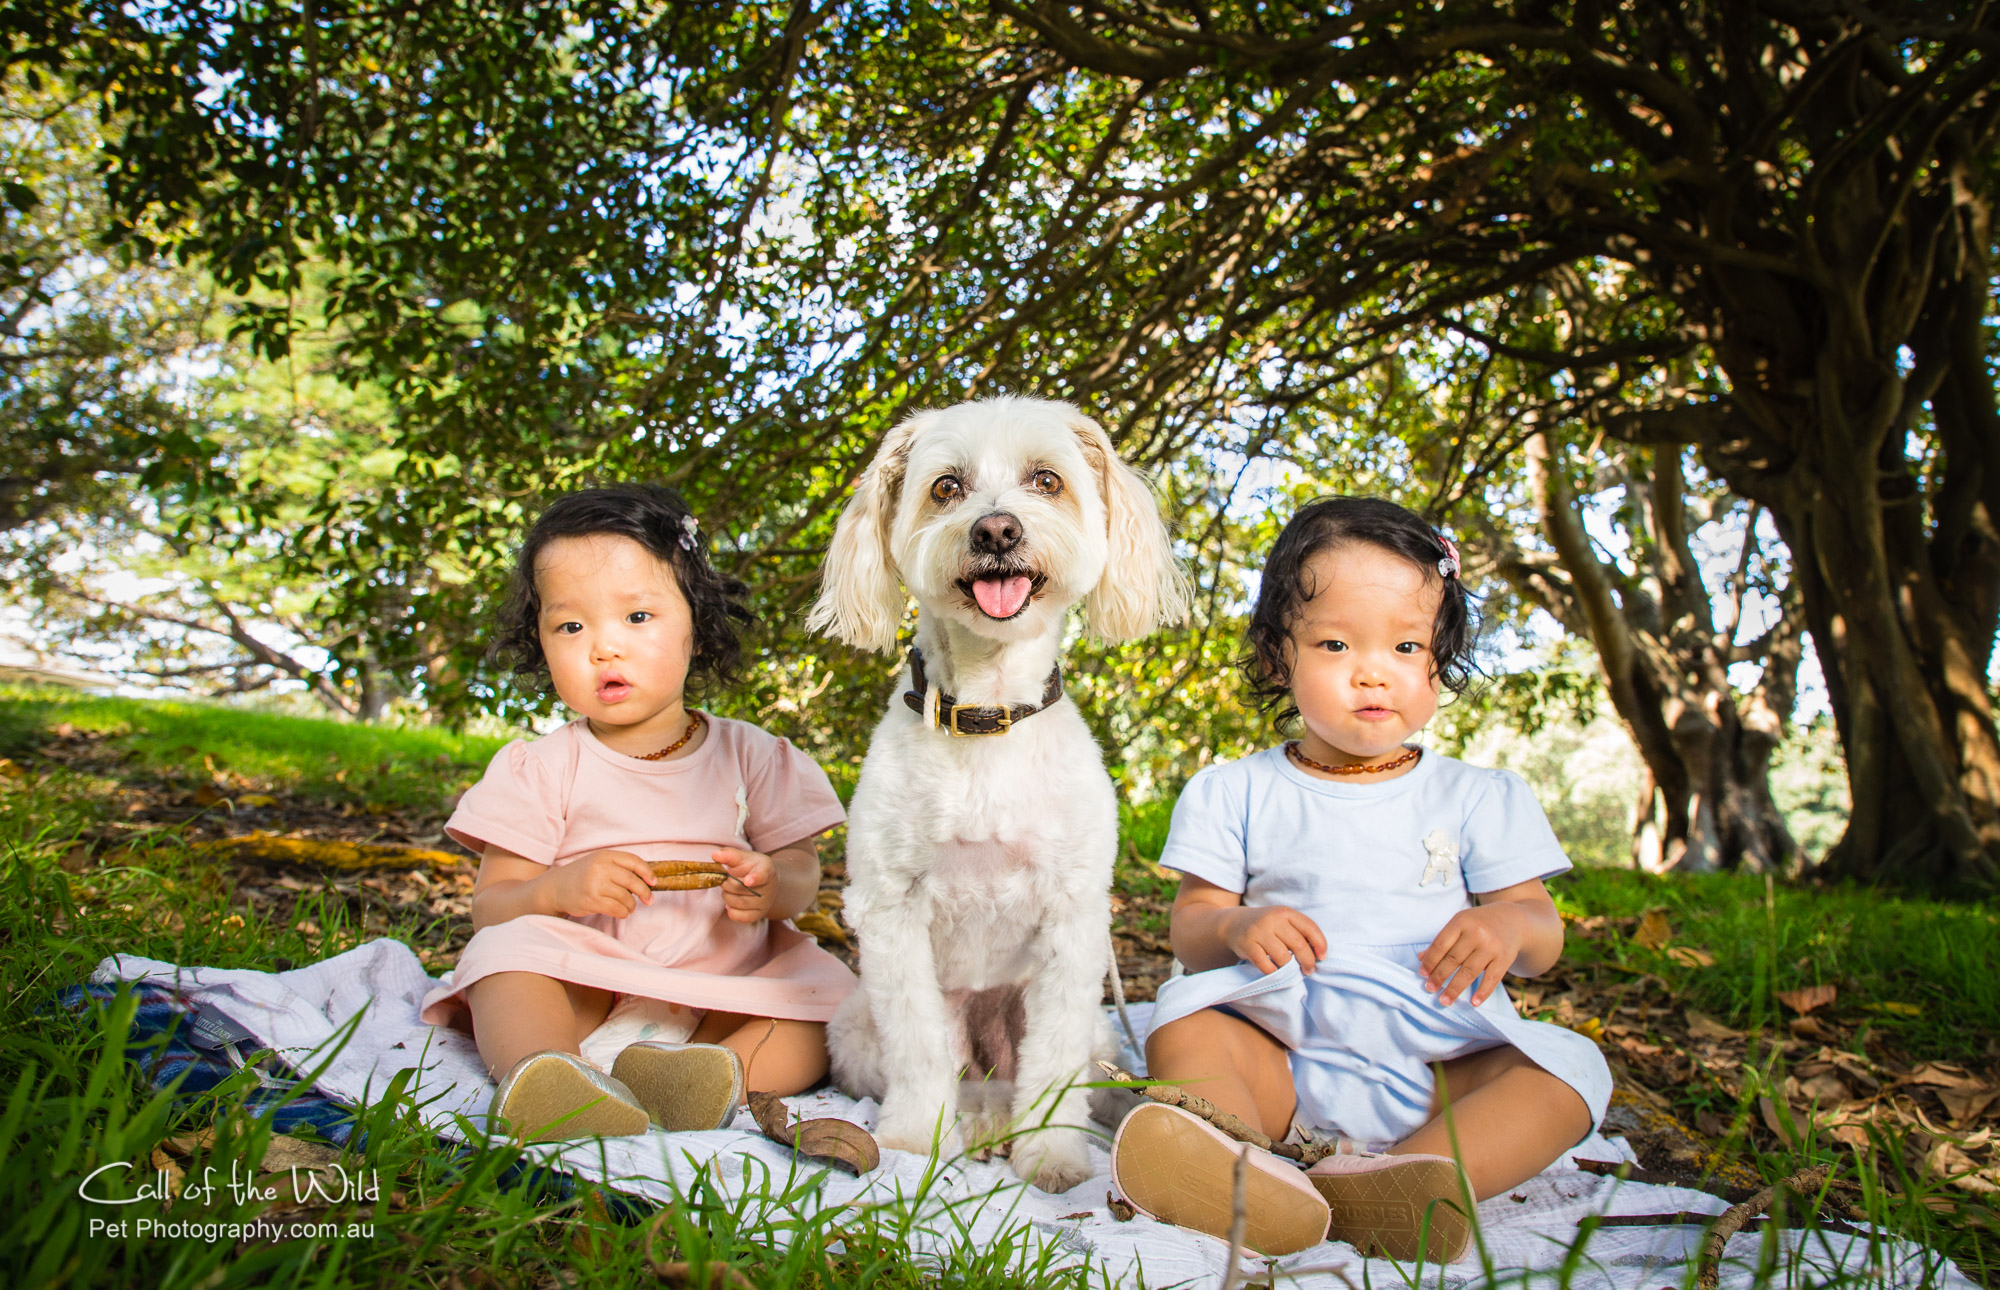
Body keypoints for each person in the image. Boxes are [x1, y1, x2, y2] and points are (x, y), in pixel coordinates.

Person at [1110, 496, 1610, 1262]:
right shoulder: (1234, 790)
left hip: (1438, 1067)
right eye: (1338, 643)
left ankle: (1409, 1179)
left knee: (1572, 1071)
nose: (1375, 671)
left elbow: (1542, 937)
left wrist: (1507, 926)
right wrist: (1238, 925)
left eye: (1408, 647)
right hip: (1278, 1060)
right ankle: (1249, 1165)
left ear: (1440, 660)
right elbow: (1193, 928)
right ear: (1280, 656)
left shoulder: (1480, 795)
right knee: (1182, 1020)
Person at [419, 485, 853, 1142]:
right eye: (571, 626)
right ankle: (549, 1073)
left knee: (828, 1001)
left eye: (638, 618)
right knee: (503, 956)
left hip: (723, 988)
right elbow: (493, 905)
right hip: (584, 984)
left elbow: (801, 877)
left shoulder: (753, 756)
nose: (603, 648)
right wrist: (557, 888)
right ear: (539, 640)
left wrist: (769, 885)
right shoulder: (542, 766)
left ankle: (711, 1078)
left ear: (699, 628)